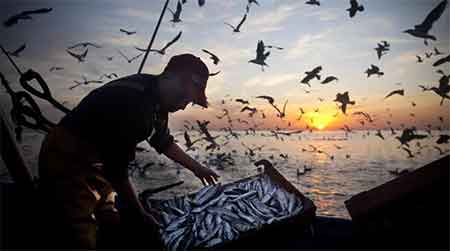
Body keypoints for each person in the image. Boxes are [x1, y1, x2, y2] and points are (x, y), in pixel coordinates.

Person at [37, 53, 220, 249]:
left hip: (98, 163)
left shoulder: (157, 101)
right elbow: (116, 171)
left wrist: (198, 169)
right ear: (169, 78)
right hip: (66, 158)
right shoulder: (135, 105)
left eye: (189, 101)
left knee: (112, 221)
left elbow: (163, 141)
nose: (184, 105)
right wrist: (140, 214)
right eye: (184, 96)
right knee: (81, 236)